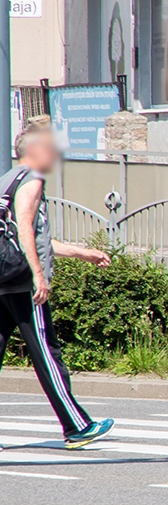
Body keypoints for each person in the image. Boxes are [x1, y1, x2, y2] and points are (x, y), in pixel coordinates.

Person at [0, 123, 115, 450]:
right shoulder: (32, 181)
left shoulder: (6, 181)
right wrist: (38, 274)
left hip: (3, 280)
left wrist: (82, 253)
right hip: (23, 284)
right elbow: (24, 228)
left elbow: (33, 237)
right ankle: (77, 426)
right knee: (47, 353)